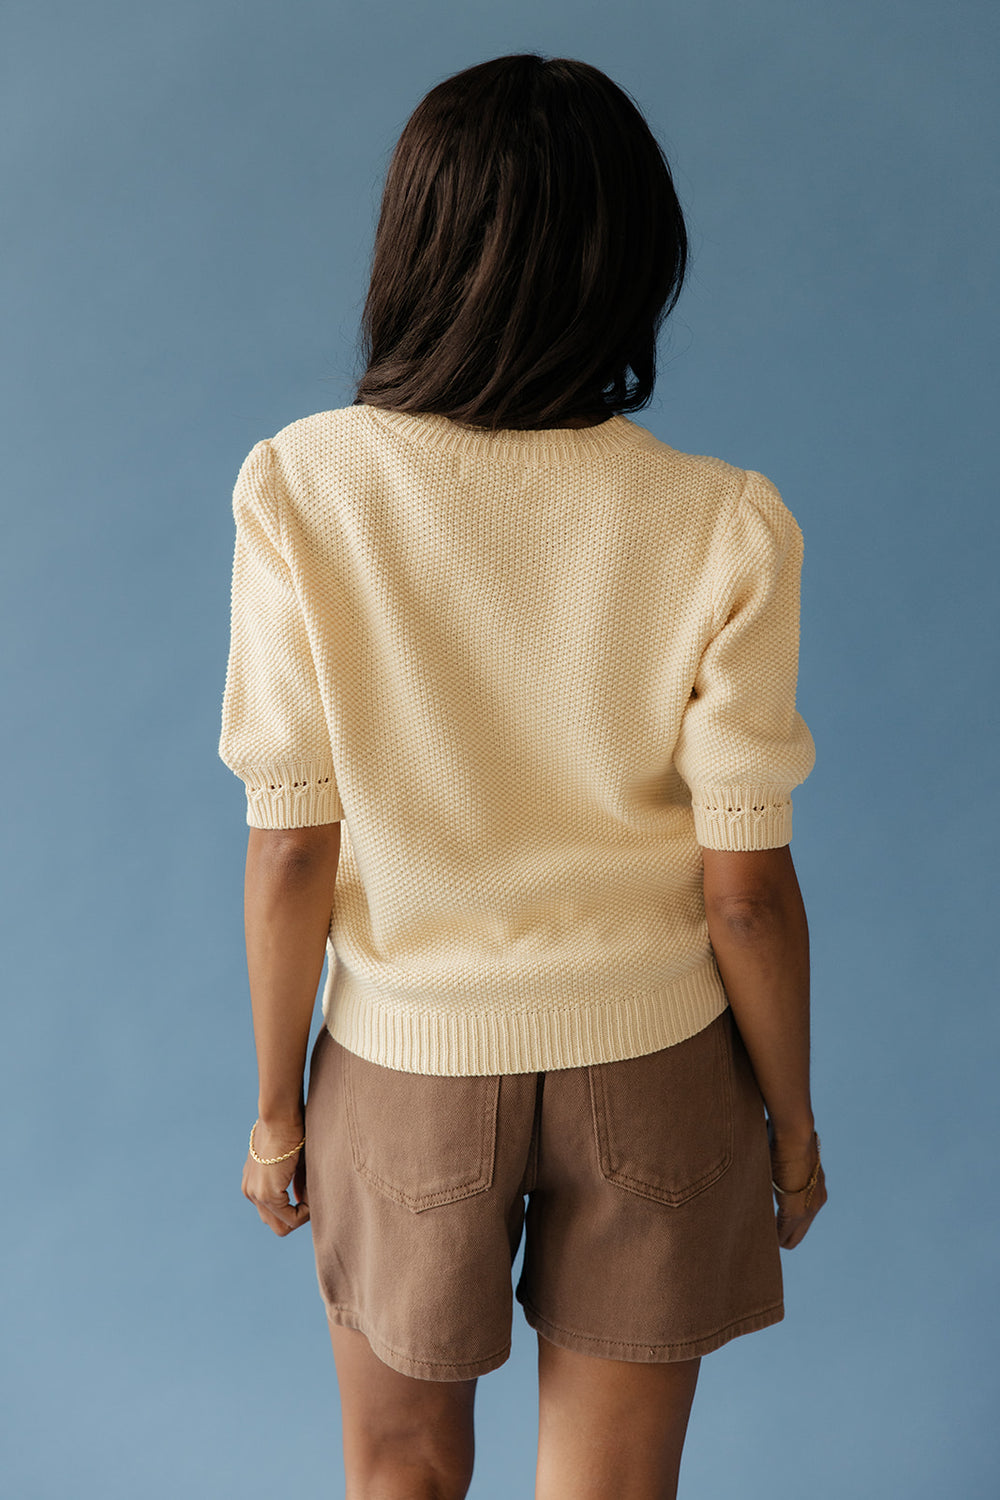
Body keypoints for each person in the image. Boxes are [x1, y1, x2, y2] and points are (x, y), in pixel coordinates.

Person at [218, 52, 828, 1500]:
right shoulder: (724, 523)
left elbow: (290, 850)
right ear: (633, 263)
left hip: (405, 1063)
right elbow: (745, 893)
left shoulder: (300, 491)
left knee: (401, 1475)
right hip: (658, 1068)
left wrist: (272, 1108)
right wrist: (791, 1126)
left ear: (413, 249)